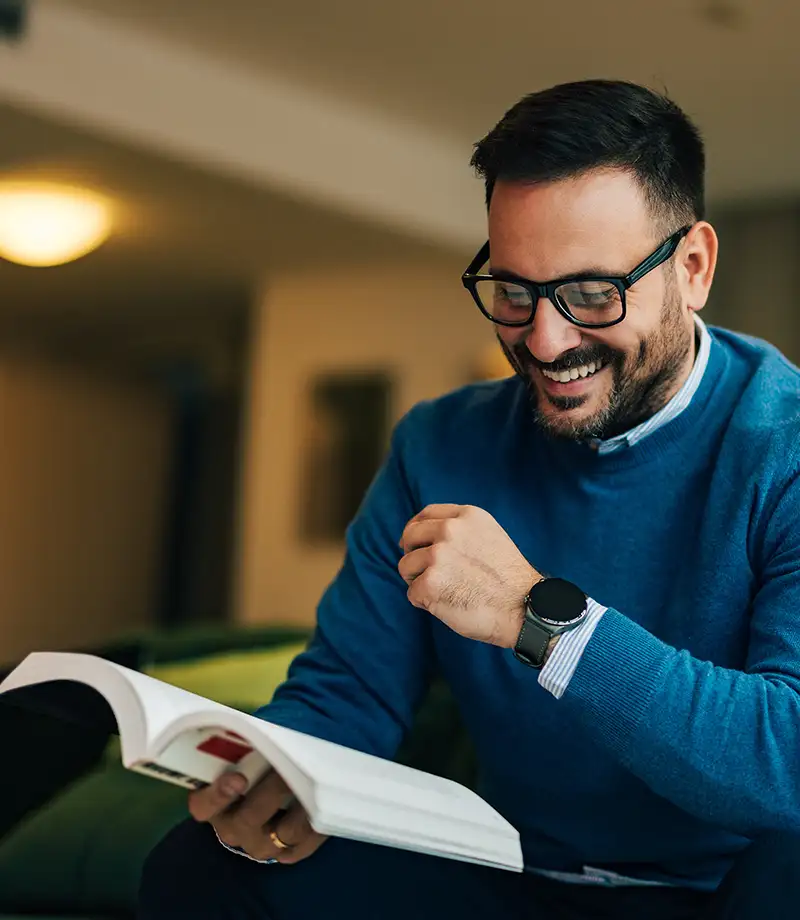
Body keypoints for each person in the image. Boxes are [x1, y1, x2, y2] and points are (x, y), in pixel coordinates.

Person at [138, 79, 800, 919]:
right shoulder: (437, 445)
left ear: (694, 267)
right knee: (203, 866)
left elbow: (788, 757)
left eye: (593, 293)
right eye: (515, 291)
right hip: (510, 880)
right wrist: (272, 786)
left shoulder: (784, 445)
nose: (546, 340)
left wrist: (538, 617)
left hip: (729, 894)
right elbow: (349, 694)